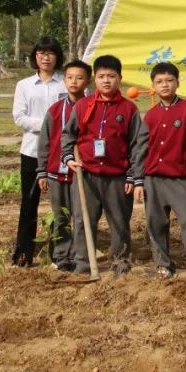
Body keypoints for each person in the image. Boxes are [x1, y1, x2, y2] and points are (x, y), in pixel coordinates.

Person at [62, 54, 148, 275]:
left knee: (119, 222)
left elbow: (137, 145)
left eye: (111, 76)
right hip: (86, 175)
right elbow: (68, 135)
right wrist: (68, 158)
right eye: (101, 76)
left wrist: (132, 175)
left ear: (120, 78)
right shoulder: (82, 106)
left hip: (117, 177)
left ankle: (120, 263)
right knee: (82, 221)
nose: (106, 81)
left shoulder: (129, 109)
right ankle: (83, 262)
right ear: (94, 80)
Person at [142, 62, 186, 278]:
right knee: (156, 223)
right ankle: (164, 264)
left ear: (178, 82)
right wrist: (139, 179)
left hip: (181, 179)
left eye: (169, 80)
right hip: (153, 179)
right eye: (159, 82)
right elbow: (142, 148)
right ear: (153, 86)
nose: (165, 85)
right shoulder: (149, 116)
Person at [11, 36, 66, 266]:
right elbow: (19, 117)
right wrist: (47, 125)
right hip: (32, 151)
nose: (45, 57)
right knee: (29, 202)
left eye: (50, 53)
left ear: (57, 57)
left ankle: (60, 253)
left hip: (62, 152)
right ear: (35, 57)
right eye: (41, 53)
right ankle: (24, 254)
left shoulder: (67, 82)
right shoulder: (24, 85)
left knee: (61, 204)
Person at [35, 59, 91, 271]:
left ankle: (80, 256)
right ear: (64, 80)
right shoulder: (55, 110)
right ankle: (61, 256)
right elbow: (45, 142)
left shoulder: (92, 107)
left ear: (87, 81)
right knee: (60, 217)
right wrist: (42, 172)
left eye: (79, 77)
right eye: (69, 77)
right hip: (56, 173)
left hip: (81, 173)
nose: (74, 82)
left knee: (80, 216)